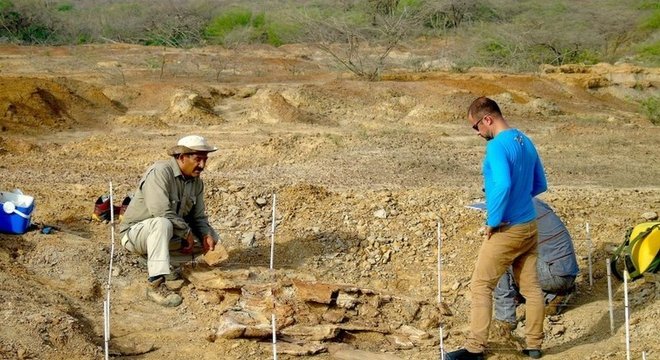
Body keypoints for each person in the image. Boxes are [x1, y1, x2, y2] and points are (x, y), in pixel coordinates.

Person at [447, 97, 548, 360]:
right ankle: (534, 345)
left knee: (481, 285)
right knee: (531, 287)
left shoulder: (497, 147)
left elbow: (502, 184)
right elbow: (539, 185)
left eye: (476, 127)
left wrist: (493, 220)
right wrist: (519, 200)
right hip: (530, 225)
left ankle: (474, 349)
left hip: (508, 228)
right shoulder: (525, 140)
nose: (478, 133)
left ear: (487, 119)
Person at [119, 135, 220, 307]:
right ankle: (156, 284)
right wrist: (186, 232)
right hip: (136, 235)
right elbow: (160, 211)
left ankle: (165, 264)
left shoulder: (196, 183)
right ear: (182, 158)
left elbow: (198, 217)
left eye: (205, 160)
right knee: (162, 223)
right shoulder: (160, 172)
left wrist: (205, 234)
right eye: (198, 159)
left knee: (213, 239)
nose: (202, 165)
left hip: (168, 234)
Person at [493, 198, 579, 333]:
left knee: (500, 261)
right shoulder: (532, 203)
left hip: (554, 274)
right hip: (567, 273)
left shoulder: (516, 211)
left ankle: (505, 319)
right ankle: (554, 296)